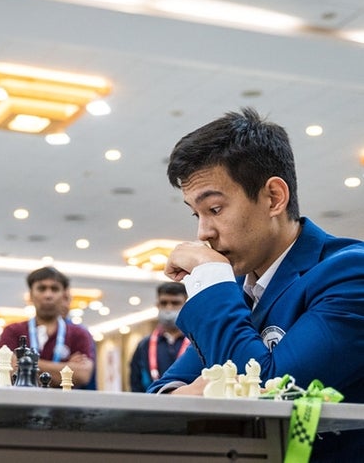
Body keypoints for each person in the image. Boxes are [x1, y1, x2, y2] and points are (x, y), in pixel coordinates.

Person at [150, 107, 364, 461]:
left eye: (215, 209)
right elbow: (161, 391)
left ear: (274, 198)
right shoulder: (237, 289)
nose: (203, 233)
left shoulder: (350, 274)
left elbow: (268, 395)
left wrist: (212, 280)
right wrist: (185, 396)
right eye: (196, 214)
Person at [0, 267, 95, 388]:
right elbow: (8, 370)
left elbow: (82, 374)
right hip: (22, 403)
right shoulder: (13, 331)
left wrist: (24, 363)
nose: (48, 295)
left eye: (54, 289)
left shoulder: (79, 333)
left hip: (64, 405)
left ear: (64, 295)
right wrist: (67, 368)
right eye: (41, 288)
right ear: (31, 295)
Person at [129, 282, 188, 392]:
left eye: (175, 303)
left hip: (188, 403)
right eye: (164, 303)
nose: (169, 308)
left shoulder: (196, 342)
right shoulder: (144, 345)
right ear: (157, 305)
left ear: (185, 305)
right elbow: (135, 383)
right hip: (151, 403)